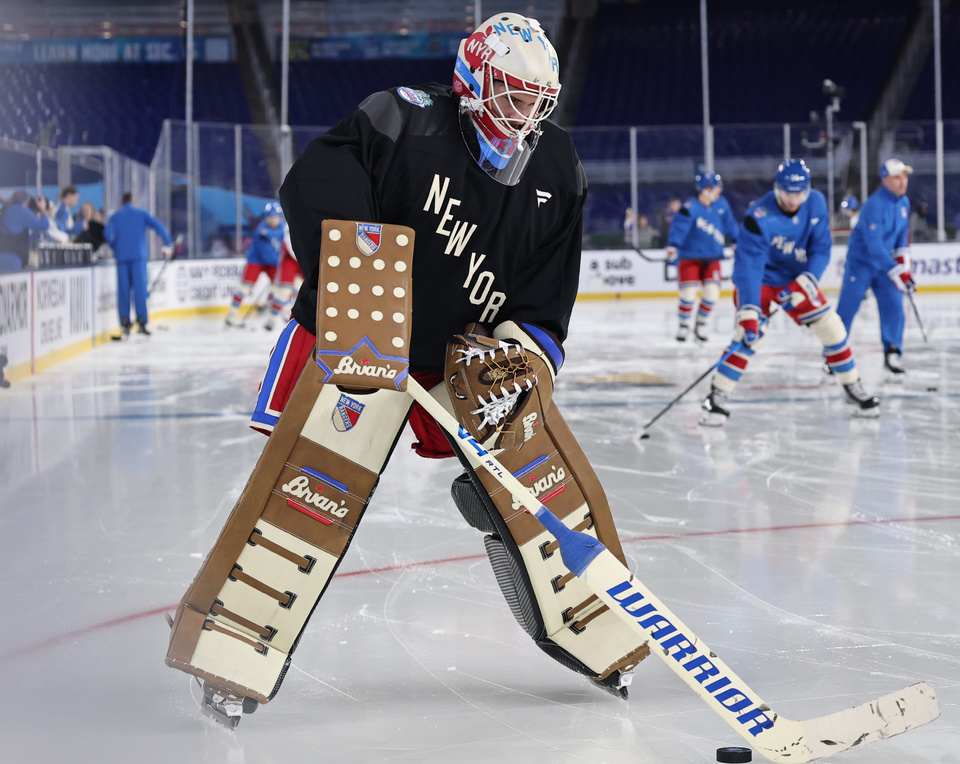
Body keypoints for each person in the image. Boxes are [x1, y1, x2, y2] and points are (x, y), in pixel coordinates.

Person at [165, 12, 651, 727]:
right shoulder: (399, 119)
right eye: (511, 94)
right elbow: (313, 187)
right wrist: (364, 290)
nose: (525, 114)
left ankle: (602, 638)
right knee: (306, 497)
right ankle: (233, 652)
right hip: (364, 343)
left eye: (536, 100)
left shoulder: (557, 167)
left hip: (467, 359)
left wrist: (520, 352)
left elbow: (549, 293)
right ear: (472, 80)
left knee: (540, 493)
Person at [699, 159, 879, 425]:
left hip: (796, 279)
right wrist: (749, 311)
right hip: (761, 281)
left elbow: (821, 248)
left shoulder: (816, 202)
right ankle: (716, 396)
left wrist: (806, 282)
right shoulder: (758, 217)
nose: (794, 200)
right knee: (748, 336)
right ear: (777, 190)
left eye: (799, 194)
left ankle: (852, 387)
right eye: (787, 194)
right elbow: (749, 267)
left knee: (833, 329)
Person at [836, 158, 915, 382]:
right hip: (861, 263)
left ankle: (892, 352)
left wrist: (905, 265)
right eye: (898, 177)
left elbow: (902, 235)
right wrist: (895, 269)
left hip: (885, 266)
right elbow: (874, 246)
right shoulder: (874, 205)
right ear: (885, 180)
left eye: (905, 176)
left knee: (894, 306)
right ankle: (833, 355)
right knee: (847, 309)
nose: (903, 181)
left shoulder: (904, 203)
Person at [666, 171, 737, 342]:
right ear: (706, 189)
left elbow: (730, 225)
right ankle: (684, 325)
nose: (719, 191)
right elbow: (678, 228)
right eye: (716, 187)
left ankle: (701, 323)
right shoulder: (689, 208)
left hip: (713, 257)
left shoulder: (721, 205)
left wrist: (737, 241)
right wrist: (673, 246)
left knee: (712, 293)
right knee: (688, 294)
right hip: (690, 257)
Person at [104, 192, 171, 339]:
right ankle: (141, 322)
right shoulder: (141, 213)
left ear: (122, 202)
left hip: (122, 258)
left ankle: (124, 323)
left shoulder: (115, 216)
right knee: (140, 290)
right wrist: (168, 243)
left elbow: (107, 234)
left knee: (123, 291)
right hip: (138, 257)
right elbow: (159, 226)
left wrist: (116, 246)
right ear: (133, 201)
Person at [225, 201, 286, 327]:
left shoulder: (283, 228)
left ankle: (271, 309)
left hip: (273, 263)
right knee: (244, 288)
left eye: (276, 217)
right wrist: (281, 263)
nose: (273, 220)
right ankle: (231, 315)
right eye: (271, 217)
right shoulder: (262, 232)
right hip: (257, 261)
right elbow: (267, 254)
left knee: (280, 287)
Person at [0, 191, 51, 272]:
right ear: (27, 202)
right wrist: (42, 210)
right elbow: (44, 226)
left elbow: (27, 237)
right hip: (13, 259)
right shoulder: (21, 210)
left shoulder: (7, 210)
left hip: (4, 254)